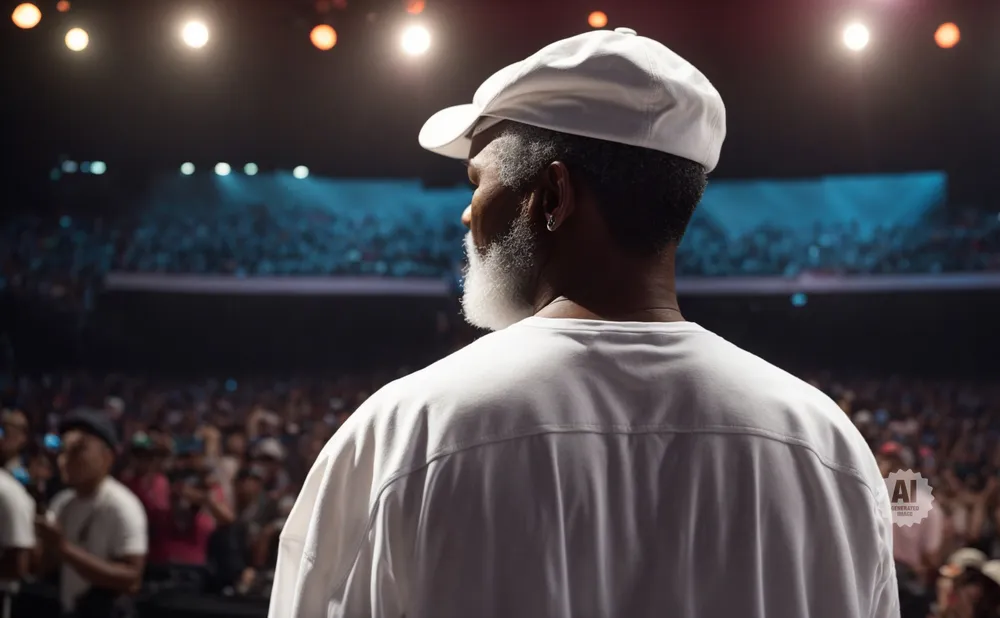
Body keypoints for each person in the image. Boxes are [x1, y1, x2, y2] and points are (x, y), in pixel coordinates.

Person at [271, 27, 898, 618]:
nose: (467, 216)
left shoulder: (408, 434)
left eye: (477, 183)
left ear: (553, 197)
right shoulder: (828, 448)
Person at [35, 410, 147, 618]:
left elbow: (131, 580)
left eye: (78, 450)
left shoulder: (121, 505)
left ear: (107, 457)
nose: (65, 460)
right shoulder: (62, 502)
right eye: (63, 450)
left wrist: (63, 548)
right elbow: (41, 568)